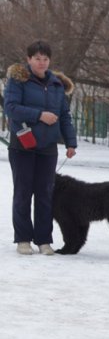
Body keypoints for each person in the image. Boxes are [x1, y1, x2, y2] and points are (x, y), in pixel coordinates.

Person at [4, 41, 77, 255]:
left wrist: (71, 142)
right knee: (23, 192)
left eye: (45, 58)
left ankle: (44, 240)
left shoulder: (56, 85)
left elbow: (64, 115)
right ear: (28, 60)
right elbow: (11, 108)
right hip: (23, 145)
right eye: (37, 58)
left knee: (45, 193)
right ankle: (23, 239)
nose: (41, 62)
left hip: (47, 146)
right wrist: (39, 115)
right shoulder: (18, 80)